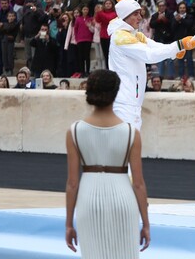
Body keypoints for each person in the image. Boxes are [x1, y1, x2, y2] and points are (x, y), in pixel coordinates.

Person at [65, 70, 150, 258]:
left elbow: (72, 183)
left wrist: (69, 223)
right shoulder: (131, 133)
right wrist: (146, 223)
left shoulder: (74, 131)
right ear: (116, 92)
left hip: (89, 199)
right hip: (123, 200)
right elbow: (138, 183)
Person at [107, 0, 195, 131]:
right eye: (135, 14)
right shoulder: (120, 37)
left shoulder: (133, 34)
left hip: (132, 100)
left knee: (130, 144)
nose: (140, 18)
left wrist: (174, 51)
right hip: (124, 100)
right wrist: (178, 46)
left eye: (140, 14)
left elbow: (153, 46)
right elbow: (149, 55)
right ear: (125, 16)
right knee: (124, 144)